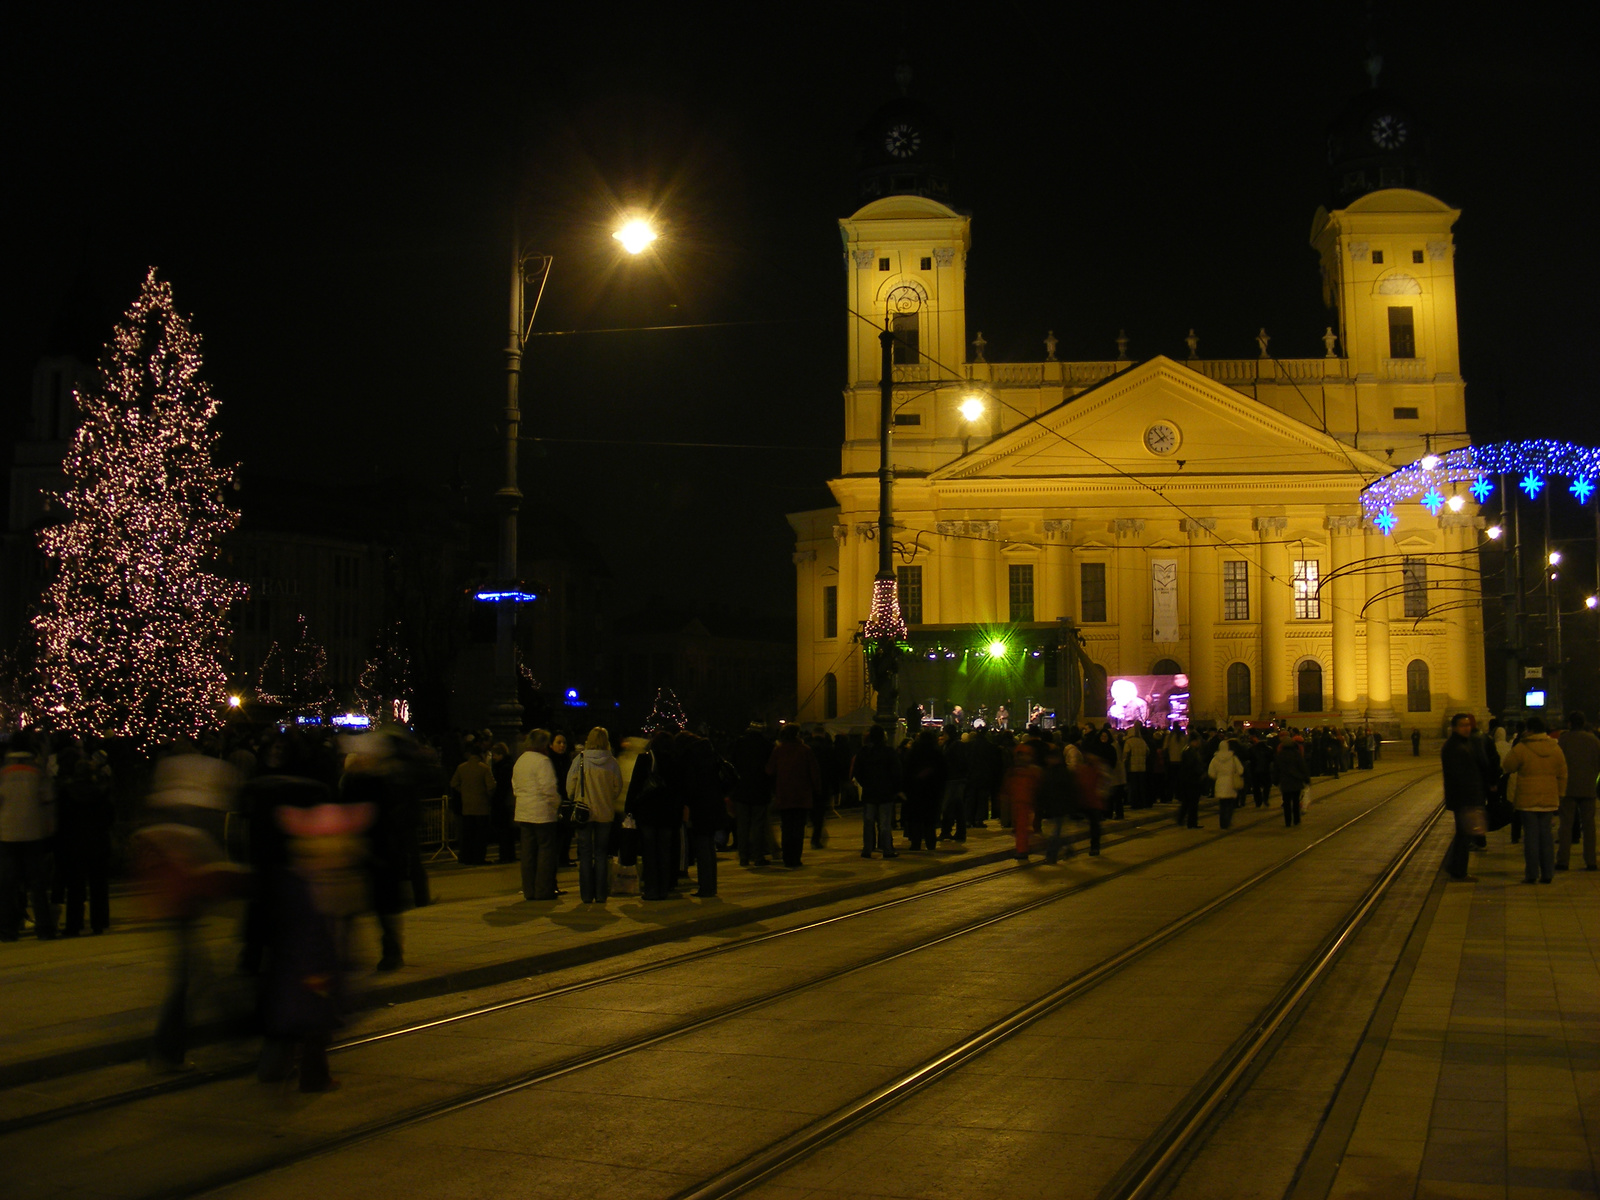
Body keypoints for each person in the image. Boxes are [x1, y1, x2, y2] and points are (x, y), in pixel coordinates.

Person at [0, 734, 57, 941]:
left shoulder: (3, 773)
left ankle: (7, 930)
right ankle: (44, 928)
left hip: (7, 834)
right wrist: (49, 831)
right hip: (34, 834)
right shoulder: (38, 772)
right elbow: (48, 803)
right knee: (37, 884)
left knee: (7, 885)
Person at [1501, 716, 1567, 885]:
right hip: (1549, 798)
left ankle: (1531, 874)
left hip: (1527, 799)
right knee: (1546, 836)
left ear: (1528, 729)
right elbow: (1562, 773)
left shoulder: (1522, 747)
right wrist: (1560, 794)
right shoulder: (1555, 747)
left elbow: (1508, 766)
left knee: (1531, 837)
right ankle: (1548, 873)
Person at [567, 727, 623, 903]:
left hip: (584, 813)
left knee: (584, 853)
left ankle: (586, 895)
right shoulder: (612, 762)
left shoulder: (580, 760)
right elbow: (617, 788)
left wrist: (575, 797)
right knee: (601, 853)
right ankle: (600, 894)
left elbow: (570, 786)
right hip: (605, 813)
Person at [1439, 713, 1491, 882]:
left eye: (1468, 725)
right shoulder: (1453, 747)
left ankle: (1455, 866)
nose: (1466, 728)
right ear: (1454, 727)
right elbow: (1458, 776)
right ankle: (1458, 871)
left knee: (1463, 835)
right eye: (1462, 725)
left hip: (1467, 797)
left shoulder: (1465, 743)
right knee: (1463, 836)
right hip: (1464, 798)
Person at [512, 730, 562, 900]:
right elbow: (548, 788)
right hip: (542, 812)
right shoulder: (543, 761)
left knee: (527, 853)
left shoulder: (520, 760)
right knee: (545, 852)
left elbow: (515, 786)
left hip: (523, 811)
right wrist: (557, 804)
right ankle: (543, 890)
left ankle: (529, 889)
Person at [680, 733, 729, 897]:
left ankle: (705, 886)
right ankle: (711, 885)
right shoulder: (712, 754)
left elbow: (690, 785)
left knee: (702, 846)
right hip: (715, 804)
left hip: (700, 806)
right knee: (709, 846)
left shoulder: (691, 758)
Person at [767, 725, 821, 868]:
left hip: (784, 794)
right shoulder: (805, 750)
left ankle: (787, 857)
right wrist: (816, 790)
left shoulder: (778, 750)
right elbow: (814, 773)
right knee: (798, 827)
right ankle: (796, 857)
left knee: (786, 827)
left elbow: (770, 770)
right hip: (802, 795)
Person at [1555, 712, 1599, 872]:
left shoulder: (1563, 740)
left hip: (1567, 788)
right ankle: (1591, 861)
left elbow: (1557, 763)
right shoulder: (1593, 741)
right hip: (1588, 787)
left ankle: (1563, 860)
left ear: (1569, 724)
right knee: (1589, 826)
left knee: (1566, 825)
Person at [852, 725, 901, 858]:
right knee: (884, 823)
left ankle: (867, 848)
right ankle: (887, 849)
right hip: (885, 792)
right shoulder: (889, 752)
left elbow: (857, 771)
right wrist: (895, 789)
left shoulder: (864, 752)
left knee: (868, 822)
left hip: (870, 792)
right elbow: (896, 772)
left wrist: (866, 784)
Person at [729, 723, 774, 866]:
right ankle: (758, 855)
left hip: (741, 788)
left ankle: (743, 856)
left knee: (742, 825)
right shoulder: (766, 745)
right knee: (758, 824)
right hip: (760, 789)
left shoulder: (739, 743)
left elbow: (732, 763)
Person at [449, 744, 496, 865]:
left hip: (467, 806)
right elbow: (491, 786)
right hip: (481, 807)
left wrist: (463, 790)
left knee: (468, 834)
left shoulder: (461, 768)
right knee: (480, 835)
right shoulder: (484, 768)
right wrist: (487, 795)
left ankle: (466, 858)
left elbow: (453, 783)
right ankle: (479, 858)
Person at [902, 729, 946, 851]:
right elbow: (943, 772)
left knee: (916, 819)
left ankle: (915, 843)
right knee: (930, 821)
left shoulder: (913, 753)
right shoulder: (936, 753)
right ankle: (930, 843)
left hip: (915, 790)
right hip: (932, 791)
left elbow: (906, 771)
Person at [1002, 743, 1043, 860]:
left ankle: (1022, 850)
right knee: (1021, 826)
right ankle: (1022, 848)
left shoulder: (1023, 771)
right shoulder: (1022, 771)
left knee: (1021, 827)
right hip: (1020, 801)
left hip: (1023, 801)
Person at [1273, 736, 1311, 827]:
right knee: (1295, 801)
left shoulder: (1279, 755)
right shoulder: (1296, 754)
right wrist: (1306, 779)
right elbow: (1302, 767)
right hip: (1296, 781)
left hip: (1285, 781)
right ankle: (1296, 819)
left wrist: (1275, 780)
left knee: (1286, 802)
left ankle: (1288, 821)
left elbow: (1276, 769)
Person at [1208, 737, 1245, 830]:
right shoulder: (1233, 758)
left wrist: (1217, 776)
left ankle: (1222, 822)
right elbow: (1240, 770)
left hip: (1220, 782)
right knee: (1230, 803)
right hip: (1231, 782)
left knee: (1222, 804)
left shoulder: (1215, 759)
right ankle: (1228, 820)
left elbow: (1211, 772)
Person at [939, 729, 968, 842]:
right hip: (955, 778)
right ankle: (955, 831)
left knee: (951, 806)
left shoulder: (953, 746)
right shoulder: (953, 745)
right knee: (955, 806)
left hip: (954, 779)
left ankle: (948, 830)